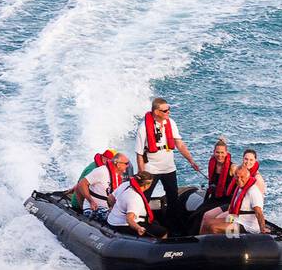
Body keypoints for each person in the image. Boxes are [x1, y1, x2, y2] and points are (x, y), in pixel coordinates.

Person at [135, 98, 201, 236]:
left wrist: (191, 160)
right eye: (165, 110)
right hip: (151, 169)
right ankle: (143, 225)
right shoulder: (143, 128)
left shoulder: (170, 123)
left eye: (168, 109)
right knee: (144, 198)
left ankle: (173, 227)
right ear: (156, 111)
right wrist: (142, 174)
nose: (168, 112)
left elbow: (180, 144)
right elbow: (140, 154)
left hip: (168, 168)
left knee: (173, 198)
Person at [201, 149, 267, 235]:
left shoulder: (254, 187)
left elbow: (258, 211)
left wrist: (262, 229)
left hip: (245, 222)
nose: (248, 162)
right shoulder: (240, 182)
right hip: (236, 215)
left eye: (251, 160)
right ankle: (201, 242)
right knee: (208, 221)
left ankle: (218, 244)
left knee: (214, 226)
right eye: (246, 159)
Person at [107, 171, 169, 239]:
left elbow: (110, 198)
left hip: (112, 219)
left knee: (155, 223)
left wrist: (113, 208)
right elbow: (129, 219)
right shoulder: (135, 198)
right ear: (146, 185)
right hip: (122, 225)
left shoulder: (126, 184)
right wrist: (138, 228)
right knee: (163, 232)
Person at [73, 151, 129, 218]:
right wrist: (91, 202)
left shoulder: (118, 177)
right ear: (118, 164)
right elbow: (81, 184)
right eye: (126, 163)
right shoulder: (101, 171)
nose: (127, 165)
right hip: (93, 209)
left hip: (107, 209)